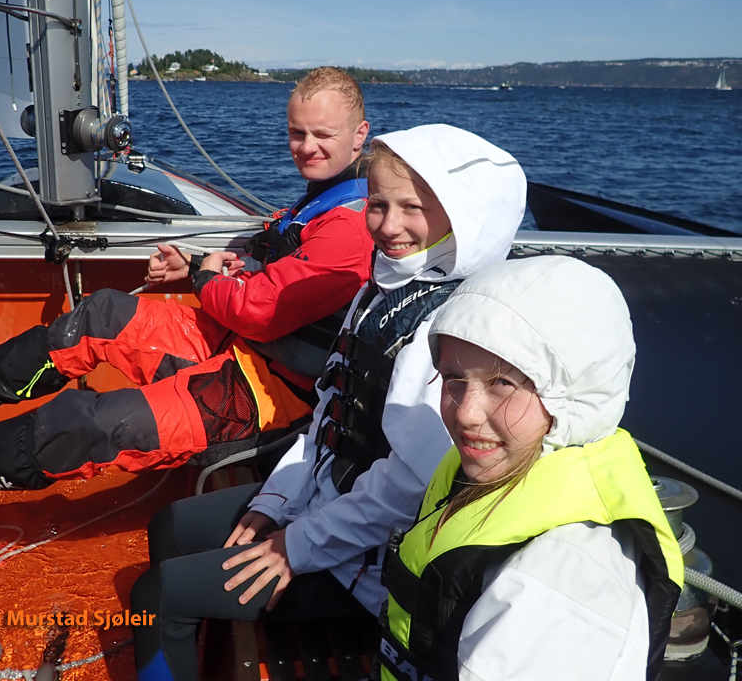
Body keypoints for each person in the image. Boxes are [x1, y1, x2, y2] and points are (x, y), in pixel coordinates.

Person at [0, 67, 375, 489]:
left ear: (359, 136)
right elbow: (274, 283)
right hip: (243, 347)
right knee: (101, 314)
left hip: (271, 394)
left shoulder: (351, 228)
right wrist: (194, 269)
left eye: (322, 134)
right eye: (297, 132)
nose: (306, 146)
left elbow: (261, 308)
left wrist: (205, 281)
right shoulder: (325, 201)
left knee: (92, 424)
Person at [129, 124, 527, 681]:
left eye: (413, 208)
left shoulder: (450, 327)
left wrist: (296, 545)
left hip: (370, 561)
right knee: (170, 527)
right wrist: (277, 500)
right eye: (378, 205)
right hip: (326, 499)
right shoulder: (384, 287)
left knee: (158, 595)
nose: (389, 226)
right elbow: (329, 413)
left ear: (463, 217)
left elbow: (407, 488)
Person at [377, 256, 684, 681]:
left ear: (573, 396)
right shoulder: (491, 465)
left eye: (503, 383)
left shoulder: (564, 574)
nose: (466, 413)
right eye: (453, 378)